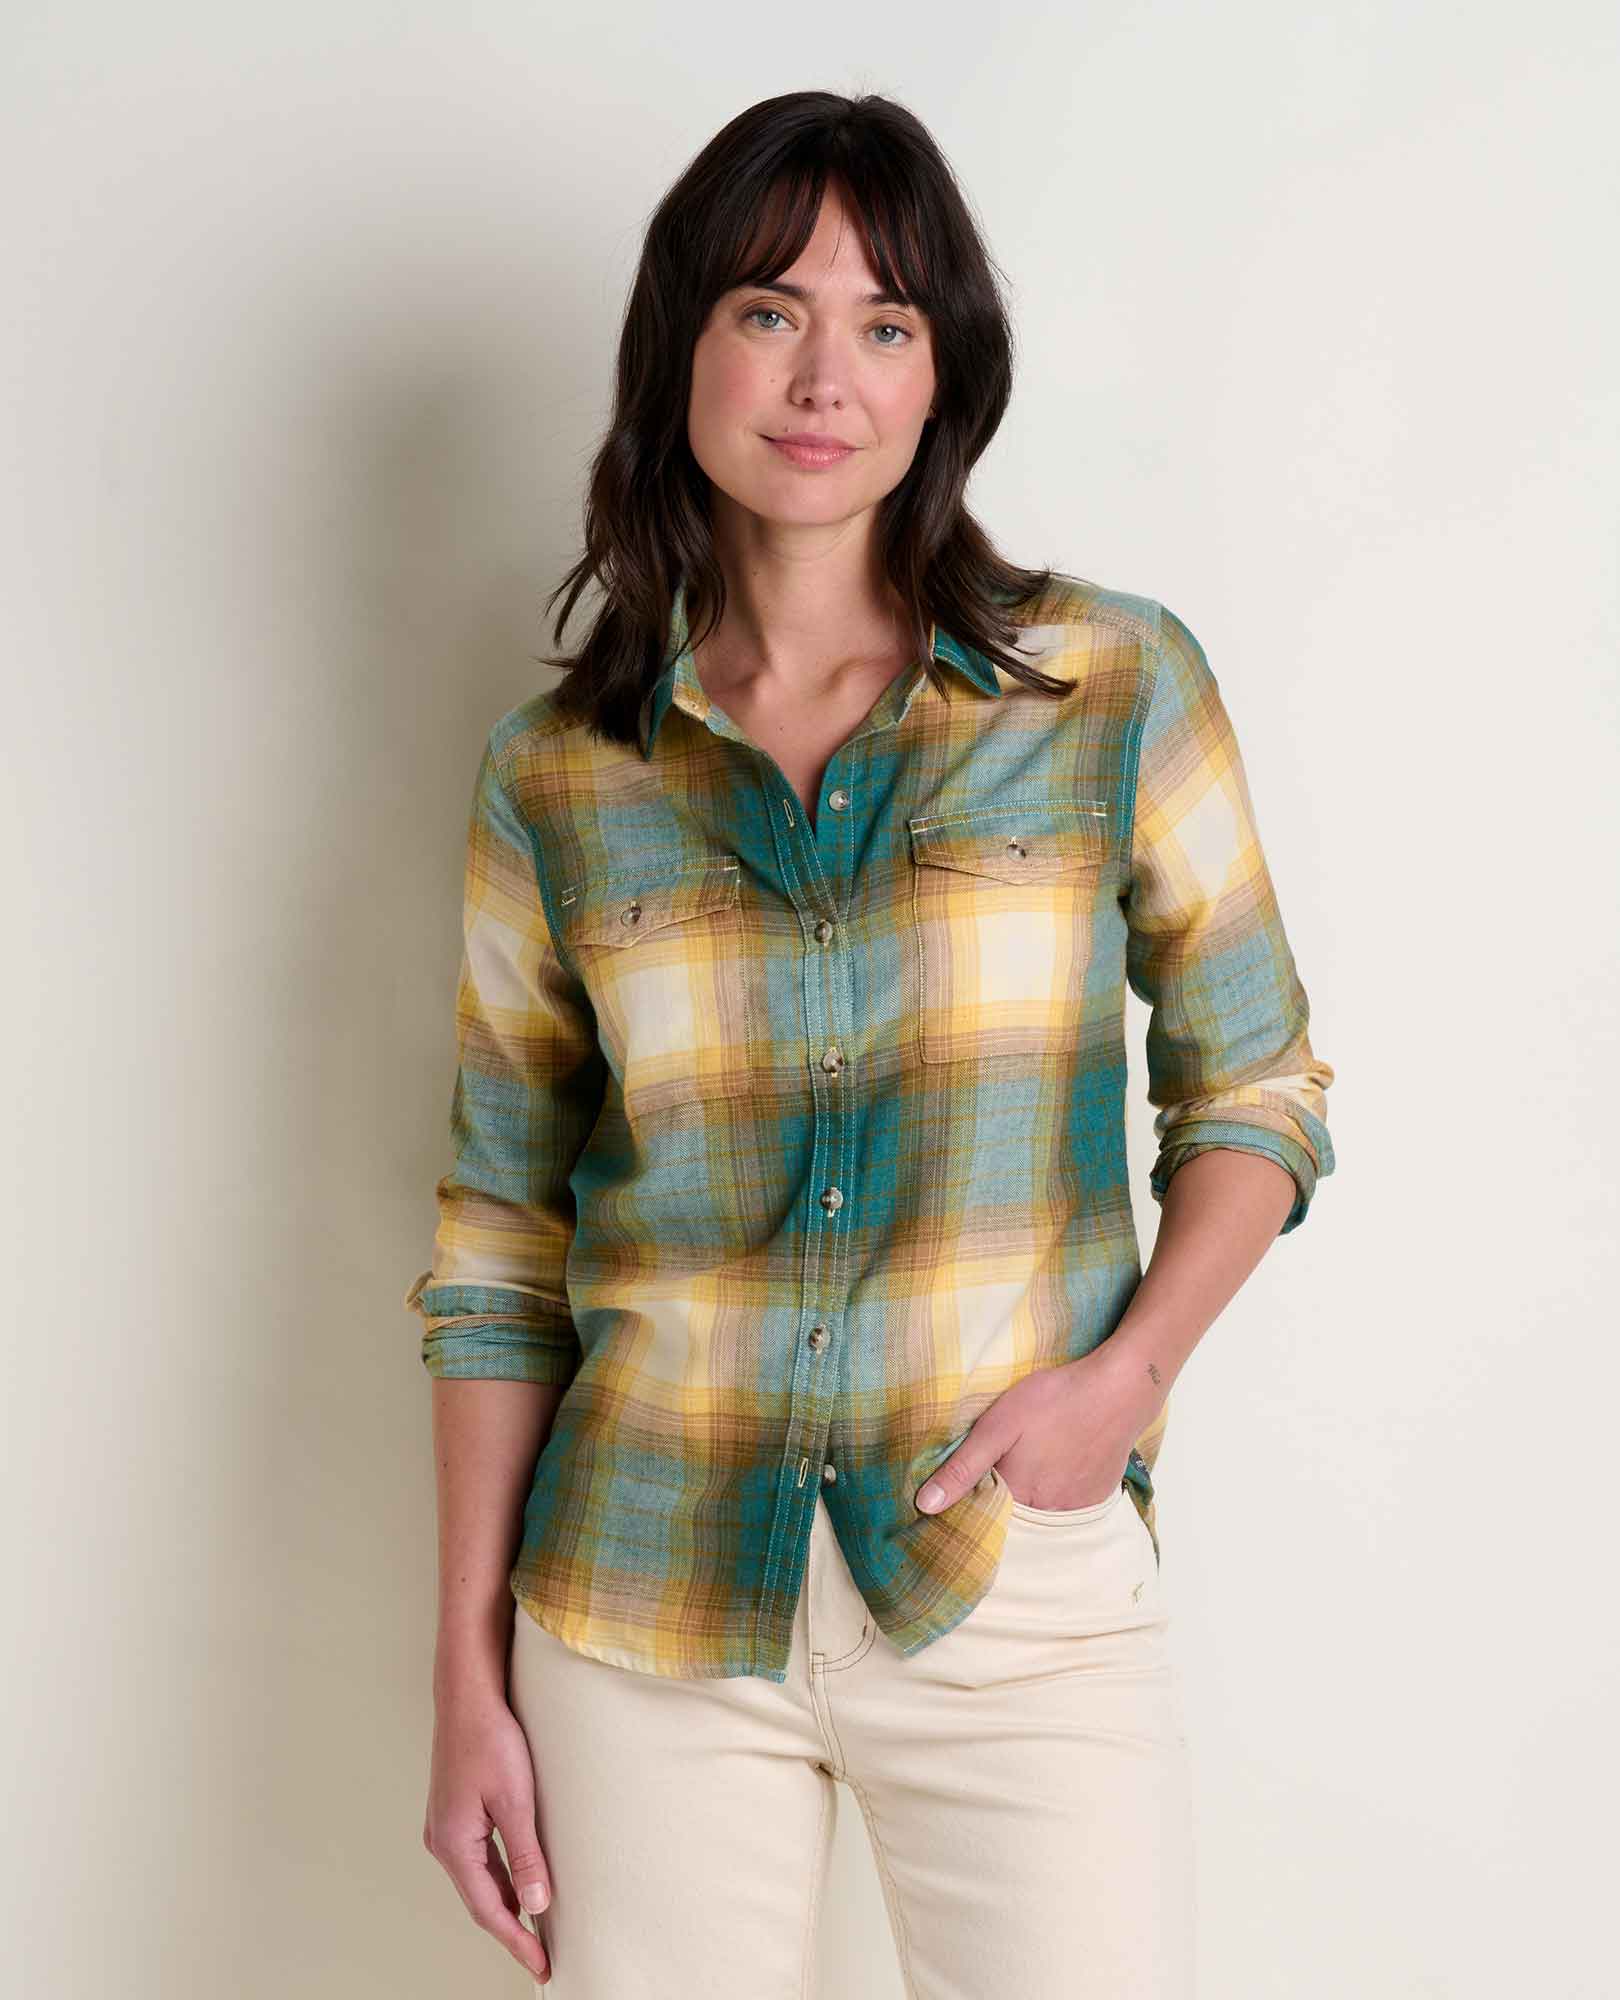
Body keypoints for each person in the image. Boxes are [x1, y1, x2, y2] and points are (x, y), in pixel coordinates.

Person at [407, 89, 1336, 1999]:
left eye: (885, 323)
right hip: (644, 1601)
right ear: (681, 348)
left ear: (943, 376)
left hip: (1010, 1581)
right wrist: (466, 1678)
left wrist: (1125, 1386)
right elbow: (500, 1245)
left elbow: (1256, 1090)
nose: (823, 376)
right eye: (769, 310)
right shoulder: (559, 778)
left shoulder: (1108, 689)